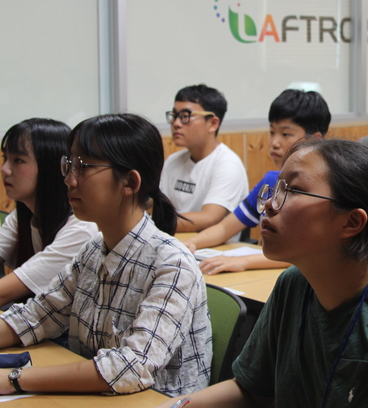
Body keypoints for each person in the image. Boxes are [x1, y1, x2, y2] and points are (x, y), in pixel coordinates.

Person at [157, 139, 368, 408]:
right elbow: (251, 391)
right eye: (275, 189)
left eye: (294, 191)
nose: (269, 206)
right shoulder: (294, 284)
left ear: (351, 222)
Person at [0, 114, 211, 396]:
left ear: (129, 183)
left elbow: (131, 368)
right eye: (69, 164)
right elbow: (33, 317)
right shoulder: (91, 253)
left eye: (83, 167)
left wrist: (15, 380)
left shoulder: (172, 265)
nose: (69, 180)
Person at [184, 89, 332, 275]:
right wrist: (189, 244)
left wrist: (243, 262)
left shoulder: (322, 189)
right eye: (272, 132)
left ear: (314, 140)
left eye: (285, 134)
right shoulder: (270, 181)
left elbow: (307, 252)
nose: (274, 142)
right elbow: (224, 228)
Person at [0, 119, 98, 307]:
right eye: (5, 158)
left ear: (50, 166)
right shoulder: (23, 215)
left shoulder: (80, 230)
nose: (4, 169)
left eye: (18, 160)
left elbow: (4, 293)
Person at [161, 84, 248, 233]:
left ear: (213, 124)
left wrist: (152, 225)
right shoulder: (173, 161)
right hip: (176, 243)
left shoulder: (227, 164)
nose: (176, 124)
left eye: (185, 116)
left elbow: (209, 217)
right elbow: (155, 204)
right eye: (175, 116)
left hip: (213, 250)